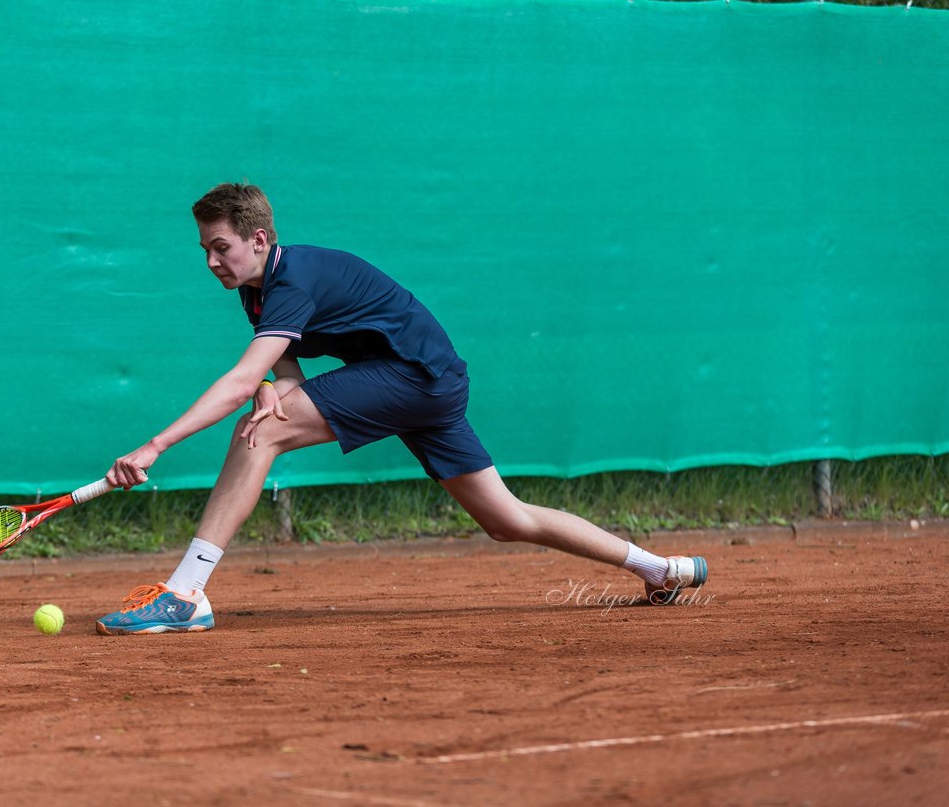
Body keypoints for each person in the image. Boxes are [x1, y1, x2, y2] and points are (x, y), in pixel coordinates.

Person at [95, 183, 707, 634]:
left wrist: (156, 445)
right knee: (506, 519)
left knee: (257, 437)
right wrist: (266, 393)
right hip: (429, 380)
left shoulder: (294, 280)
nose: (210, 262)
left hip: (414, 377)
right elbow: (277, 375)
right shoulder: (258, 295)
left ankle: (185, 594)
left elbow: (240, 381)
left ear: (258, 239)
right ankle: (661, 568)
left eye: (220, 247)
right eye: (204, 249)